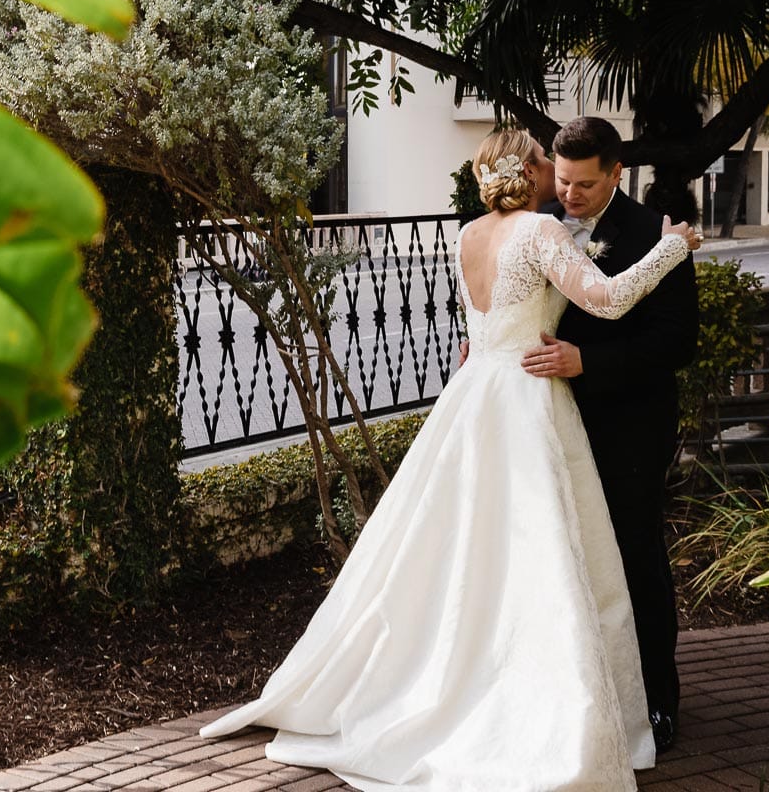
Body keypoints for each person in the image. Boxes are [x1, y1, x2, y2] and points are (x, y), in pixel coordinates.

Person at [200, 129, 703, 791]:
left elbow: (503, 321)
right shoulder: (545, 232)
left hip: (481, 399)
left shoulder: (468, 233)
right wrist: (675, 246)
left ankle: (477, 681)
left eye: (580, 178)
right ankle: (527, 703)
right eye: (554, 170)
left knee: (474, 555)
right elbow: (605, 299)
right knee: (537, 557)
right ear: (530, 170)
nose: (564, 184)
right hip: (529, 404)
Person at [520, 116, 699, 752]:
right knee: (560, 563)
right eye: (563, 181)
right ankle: (581, 699)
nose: (569, 196)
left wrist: (588, 361)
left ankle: (655, 702)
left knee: (634, 560)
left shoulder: (656, 235)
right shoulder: (534, 221)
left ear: (617, 173)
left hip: (629, 425)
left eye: (585, 185)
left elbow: (678, 339)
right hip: (545, 425)